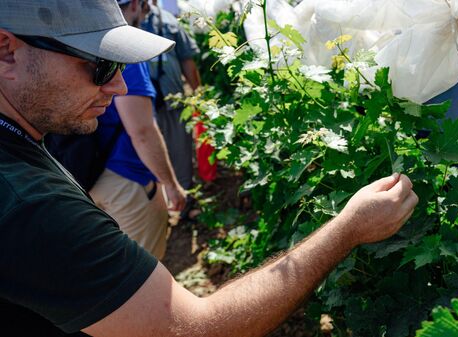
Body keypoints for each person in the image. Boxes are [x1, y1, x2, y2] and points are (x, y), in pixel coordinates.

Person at [0, 1, 418, 336]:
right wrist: (348, 229)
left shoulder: (21, 146)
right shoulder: (30, 204)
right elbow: (195, 329)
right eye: (100, 65)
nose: (120, 86)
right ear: (6, 51)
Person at [88, 0, 186, 260]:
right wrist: (172, 186)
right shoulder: (122, 47)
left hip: (84, 176)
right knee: (141, 274)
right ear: (133, 5)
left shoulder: (77, 41)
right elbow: (142, 131)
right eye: (144, 8)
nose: (145, 14)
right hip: (127, 180)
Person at [141, 0, 213, 192]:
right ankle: (163, 200)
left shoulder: (168, 21)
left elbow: (187, 60)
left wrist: (198, 96)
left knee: (180, 153)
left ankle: (184, 199)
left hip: (173, 103)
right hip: (141, 108)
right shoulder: (124, 23)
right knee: (149, 155)